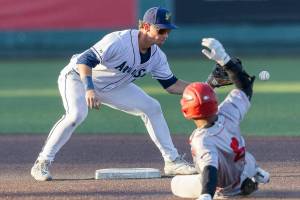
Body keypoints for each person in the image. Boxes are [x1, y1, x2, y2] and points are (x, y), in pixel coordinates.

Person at [30, 7, 198, 181]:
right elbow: (84, 60)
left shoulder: (157, 57)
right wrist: (89, 88)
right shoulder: (119, 41)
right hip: (78, 77)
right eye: (161, 30)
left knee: (152, 107)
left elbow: (171, 85)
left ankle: (172, 161)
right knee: (76, 114)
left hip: (113, 86)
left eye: (168, 31)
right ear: (146, 26)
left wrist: (203, 88)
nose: (165, 35)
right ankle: (42, 162)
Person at [170, 38, 270, 200]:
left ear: (187, 111)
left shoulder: (202, 139)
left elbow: (210, 171)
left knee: (176, 183)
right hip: (245, 165)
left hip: (228, 188)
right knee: (231, 155)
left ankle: (239, 185)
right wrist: (225, 60)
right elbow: (245, 87)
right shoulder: (228, 112)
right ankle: (253, 172)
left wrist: (206, 196)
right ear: (215, 103)